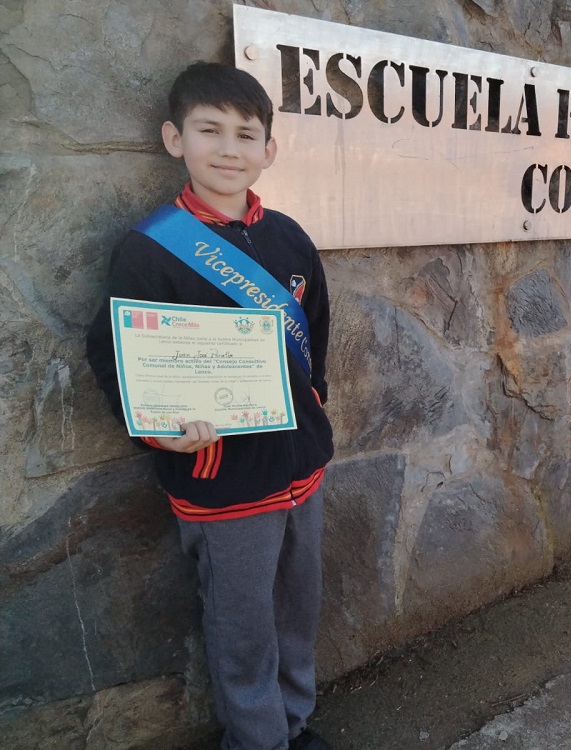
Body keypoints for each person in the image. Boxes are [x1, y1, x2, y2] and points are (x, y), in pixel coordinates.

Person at [86, 61, 334, 750]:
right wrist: (162, 435)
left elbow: (316, 330)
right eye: (209, 130)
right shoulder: (148, 250)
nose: (229, 149)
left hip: (300, 469)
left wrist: (315, 408)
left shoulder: (290, 238)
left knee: (296, 614)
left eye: (245, 134)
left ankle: (294, 724)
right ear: (175, 139)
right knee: (242, 628)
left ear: (268, 150)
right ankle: (257, 742)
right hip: (221, 480)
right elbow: (115, 356)